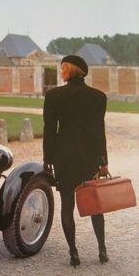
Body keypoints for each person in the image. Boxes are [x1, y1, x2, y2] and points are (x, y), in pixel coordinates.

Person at [43, 55, 109, 267]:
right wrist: (103, 161)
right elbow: (99, 132)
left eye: (63, 68)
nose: (61, 71)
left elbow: (49, 131)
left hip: (64, 157)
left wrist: (48, 158)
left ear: (72, 70)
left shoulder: (53, 95)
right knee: (95, 205)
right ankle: (102, 250)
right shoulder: (98, 97)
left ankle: (73, 253)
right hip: (89, 157)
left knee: (67, 205)